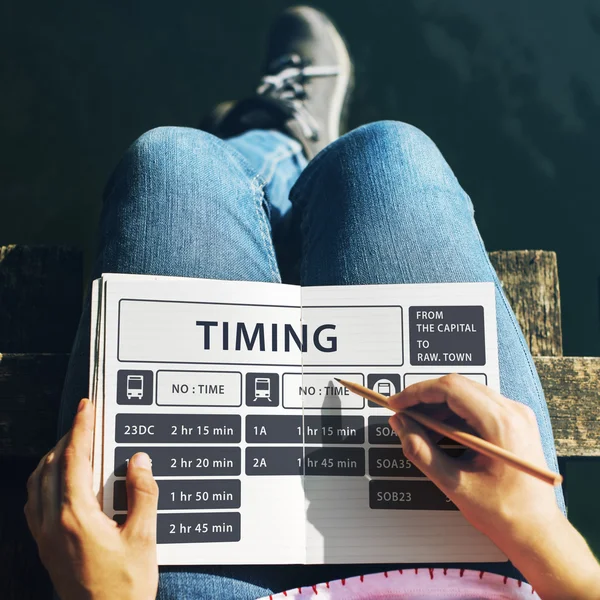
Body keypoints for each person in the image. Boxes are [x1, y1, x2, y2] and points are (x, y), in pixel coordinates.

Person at [24, 6, 600, 600]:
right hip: (476, 574)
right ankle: (284, 152)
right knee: (387, 154)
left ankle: (268, 147)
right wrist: (547, 537)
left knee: (173, 163)